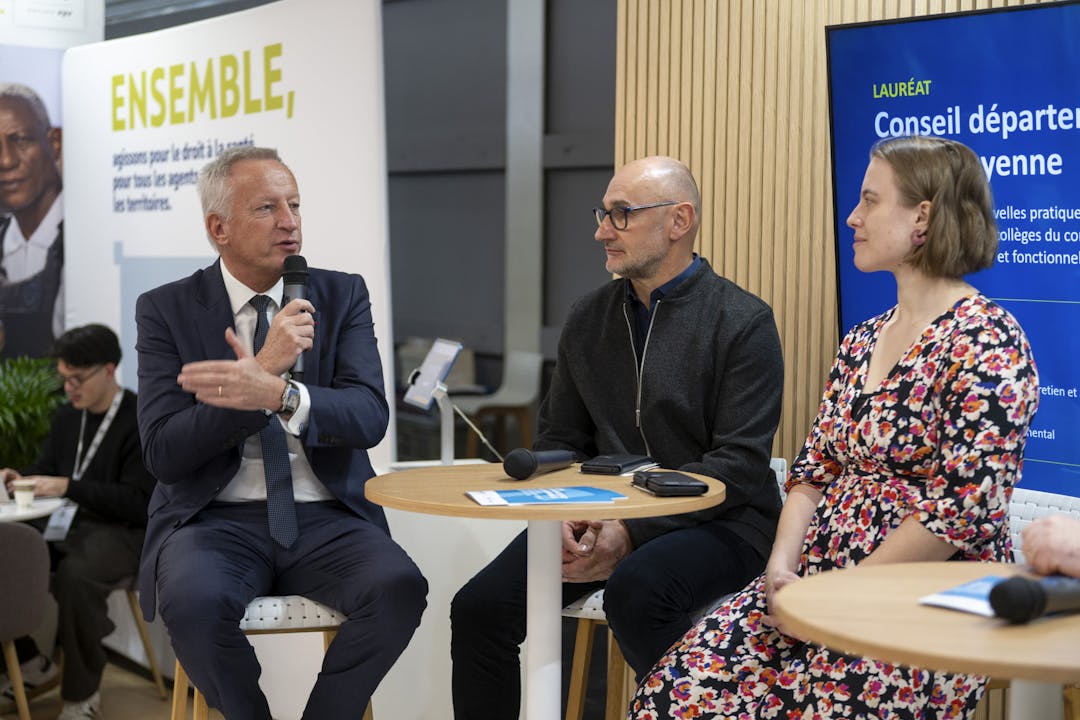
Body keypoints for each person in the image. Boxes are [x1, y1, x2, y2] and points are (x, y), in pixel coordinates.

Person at [630, 136, 1041, 720]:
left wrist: (836, 595)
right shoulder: (862, 340)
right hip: (814, 581)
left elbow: (959, 511)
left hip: (922, 596)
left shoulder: (988, 341)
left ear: (922, 218)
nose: (853, 217)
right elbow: (812, 473)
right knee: (672, 692)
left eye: (870, 200)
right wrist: (779, 571)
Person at [450, 156, 785, 719]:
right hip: (600, 514)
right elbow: (562, 441)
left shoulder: (742, 321)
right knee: (480, 607)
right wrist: (559, 518)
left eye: (622, 214)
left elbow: (738, 465)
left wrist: (631, 531)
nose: (602, 231)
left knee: (638, 591)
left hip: (728, 523)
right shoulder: (588, 318)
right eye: (603, 214)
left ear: (679, 221)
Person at [134, 146, 427, 719]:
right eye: (267, 208)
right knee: (194, 604)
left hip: (326, 516)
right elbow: (164, 452)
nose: (289, 222)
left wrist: (281, 395)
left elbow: (369, 416)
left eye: (294, 204)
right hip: (214, 519)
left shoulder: (340, 294)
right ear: (218, 228)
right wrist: (264, 368)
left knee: (398, 586)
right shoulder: (167, 309)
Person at [1, 324, 155, 720]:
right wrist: (19, 478)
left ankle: (81, 695)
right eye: (63, 379)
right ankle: (31, 662)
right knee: (9, 552)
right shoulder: (69, 417)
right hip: (69, 524)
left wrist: (69, 486)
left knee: (76, 575)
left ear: (109, 369)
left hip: (124, 532)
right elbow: (46, 469)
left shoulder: (139, 418)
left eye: (77, 379)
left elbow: (137, 502)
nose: (68, 388)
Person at [0, 83, 64, 359]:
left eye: (21, 140)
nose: (6, 161)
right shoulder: (5, 238)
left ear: (54, 142)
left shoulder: (84, 236)